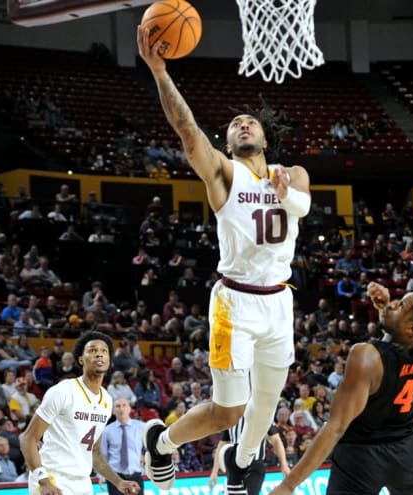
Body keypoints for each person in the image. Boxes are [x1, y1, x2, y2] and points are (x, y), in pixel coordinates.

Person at [138, 24, 311, 494]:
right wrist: (159, 71)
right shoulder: (222, 172)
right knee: (229, 410)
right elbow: (186, 128)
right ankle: (162, 443)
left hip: (279, 301)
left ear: (265, 137)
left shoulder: (291, 173)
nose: (244, 123)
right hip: (234, 303)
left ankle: (243, 460)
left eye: (250, 120)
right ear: (230, 142)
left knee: (267, 406)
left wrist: (285, 196)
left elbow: (303, 207)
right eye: (235, 124)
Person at [268, 282, 413, 495]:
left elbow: (336, 427)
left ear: (412, 328)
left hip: (361, 456)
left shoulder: (366, 357)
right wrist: (387, 310)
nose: (393, 303)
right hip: (405, 454)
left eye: (400, 305)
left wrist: (289, 484)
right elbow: (401, 343)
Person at [20, 331, 140, 495]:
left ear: (109, 360)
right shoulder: (63, 391)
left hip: (83, 481)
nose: (99, 353)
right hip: (53, 478)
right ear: (81, 359)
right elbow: (28, 438)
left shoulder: (106, 399)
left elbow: (94, 453)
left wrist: (118, 481)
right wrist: (44, 481)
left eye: (104, 351)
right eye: (92, 350)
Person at [209, 416, 291, 495]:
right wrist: (214, 471)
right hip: (234, 466)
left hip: (255, 464)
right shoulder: (232, 416)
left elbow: (276, 439)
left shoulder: (262, 414)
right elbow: (222, 444)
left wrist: (284, 464)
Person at [100, 398, 145, 495]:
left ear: (129, 409)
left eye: (124, 405)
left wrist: (144, 454)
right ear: (113, 411)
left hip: (136, 477)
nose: (121, 409)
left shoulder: (142, 427)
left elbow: (152, 446)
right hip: (116, 478)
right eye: (118, 406)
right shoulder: (107, 431)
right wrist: (101, 475)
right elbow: (102, 455)